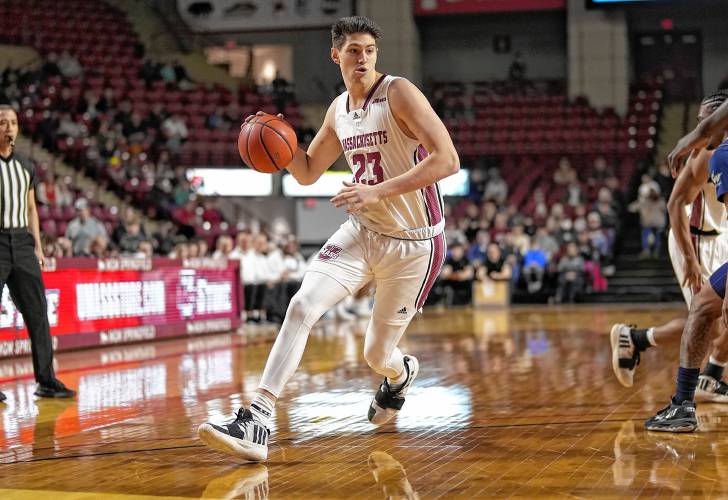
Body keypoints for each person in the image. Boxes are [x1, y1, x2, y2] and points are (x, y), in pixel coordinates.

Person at [198, 16, 458, 461]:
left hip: (415, 244)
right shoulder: (338, 109)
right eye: (353, 50)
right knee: (302, 304)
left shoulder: (398, 93)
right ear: (336, 55)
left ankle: (400, 373)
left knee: (377, 354)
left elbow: (448, 160)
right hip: (363, 230)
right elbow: (306, 171)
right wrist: (275, 144)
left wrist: (376, 190)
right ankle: (258, 418)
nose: (363, 58)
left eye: (369, 50)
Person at [611, 91, 728, 403]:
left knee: (718, 318)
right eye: (700, 121)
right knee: (707, 318)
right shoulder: (705, 153)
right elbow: (675, 203)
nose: (702, 126)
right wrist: (690, 259)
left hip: (720, 235)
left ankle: (712, 376)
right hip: (694, 238)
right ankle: (636, 339)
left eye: (707, 121)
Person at [0, 105, 75, 401]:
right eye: (3, 122)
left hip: (21, 243)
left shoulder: (25, 165)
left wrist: (38, 247)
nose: (8, 127)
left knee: (38, 313)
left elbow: (31, 208)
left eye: (13, 123)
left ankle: (46, 380)